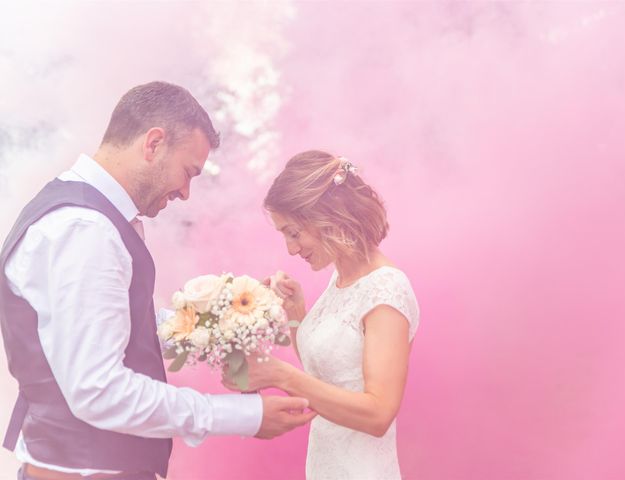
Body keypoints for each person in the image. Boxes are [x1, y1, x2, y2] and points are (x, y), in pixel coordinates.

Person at [0, 81, 314, 480]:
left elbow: (120, 331)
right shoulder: (86, 230)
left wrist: (230, 310)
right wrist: (242, 416)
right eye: (188, 172)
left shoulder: (83, 215)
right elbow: (99, 392)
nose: (185, 192)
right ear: (153, 144)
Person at [223, 150, 420, 479]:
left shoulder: (386, 289)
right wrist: (296, 311)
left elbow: (378, 414)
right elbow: (326, 374)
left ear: (329, 216)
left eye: (294, 232)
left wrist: (280, 375)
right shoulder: (341, 278)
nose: (290, 249)